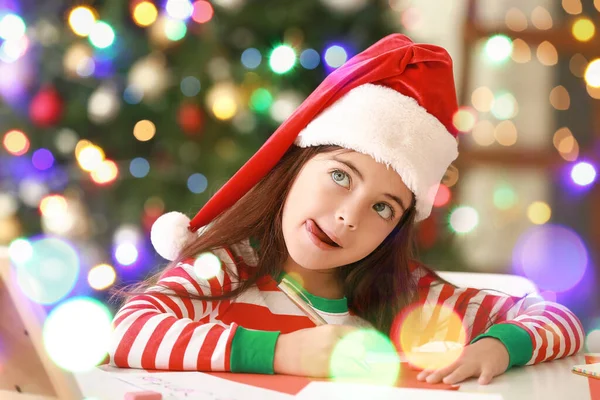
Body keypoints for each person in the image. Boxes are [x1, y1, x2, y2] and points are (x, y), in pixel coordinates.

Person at [108, 34, 584, 386]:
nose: (349, 216)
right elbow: (129, 331)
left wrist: (499, 346)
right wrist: (282, 351)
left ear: (398, 226)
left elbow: (557, 319)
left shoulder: (407, 297)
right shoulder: (229, 265)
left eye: (383, 206)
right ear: (295, 165)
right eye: (340, 176)